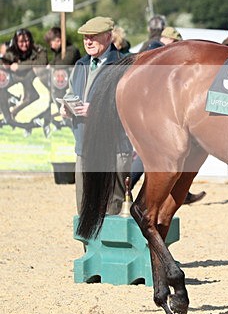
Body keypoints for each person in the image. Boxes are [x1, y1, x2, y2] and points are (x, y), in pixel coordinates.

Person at [61, 16, 131, 214]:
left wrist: (97, 111)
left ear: (108, 37)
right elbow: (70, 93)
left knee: (113, 208)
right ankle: (89, 247)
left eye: (93, 37)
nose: (88, 41)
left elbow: (130, 106)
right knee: (84, 208)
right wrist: (66, 107)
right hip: (84, 148)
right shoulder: (80, 65)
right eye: (85, 37)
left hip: (114, 147)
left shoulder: (123, 65)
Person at [129, 24, 206, 205]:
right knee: (154, 155)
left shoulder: (149, 48)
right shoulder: (157, 51)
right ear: (170, 40)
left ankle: (180, 192)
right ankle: (127, 187)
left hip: (150, 108)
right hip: (153, 110)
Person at [1, 28, 47, 121]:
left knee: (32, 95)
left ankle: (13, 111)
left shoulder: (37, 49)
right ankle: (9, 106)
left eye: (27, 41)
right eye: (21, 42)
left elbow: (42, 62)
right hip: (13, 78)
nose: (25, 44)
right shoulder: (10, 50)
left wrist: (21, 66)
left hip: (29, 78)